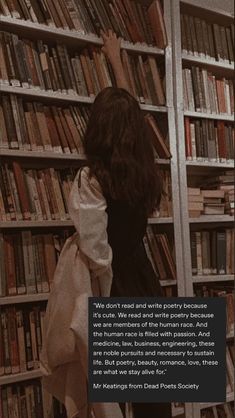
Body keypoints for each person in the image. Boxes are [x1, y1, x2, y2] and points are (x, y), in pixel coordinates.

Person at [40, 31, 171, 418]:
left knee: (105, 405)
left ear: (97, 128)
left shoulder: (92, 179)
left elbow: (96, 249)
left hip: (112, 288)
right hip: (145, 283)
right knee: (154, 396)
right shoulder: (148, 171)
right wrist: (117, 62)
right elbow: (133, 112)